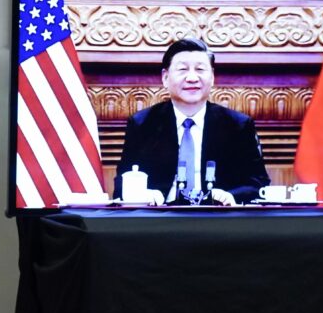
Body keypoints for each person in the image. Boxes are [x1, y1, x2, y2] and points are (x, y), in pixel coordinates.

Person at [114, 37, 270, 205]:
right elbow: (122, 183)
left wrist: (231, 196)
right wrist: (146, 195)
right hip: (160, 219)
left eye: (200, 69)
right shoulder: (143, 124)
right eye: (183, 69)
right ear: (165, 78)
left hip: (218, 219)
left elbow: (258, 183)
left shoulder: (238, 125)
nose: (192, 78)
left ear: (212, 77)